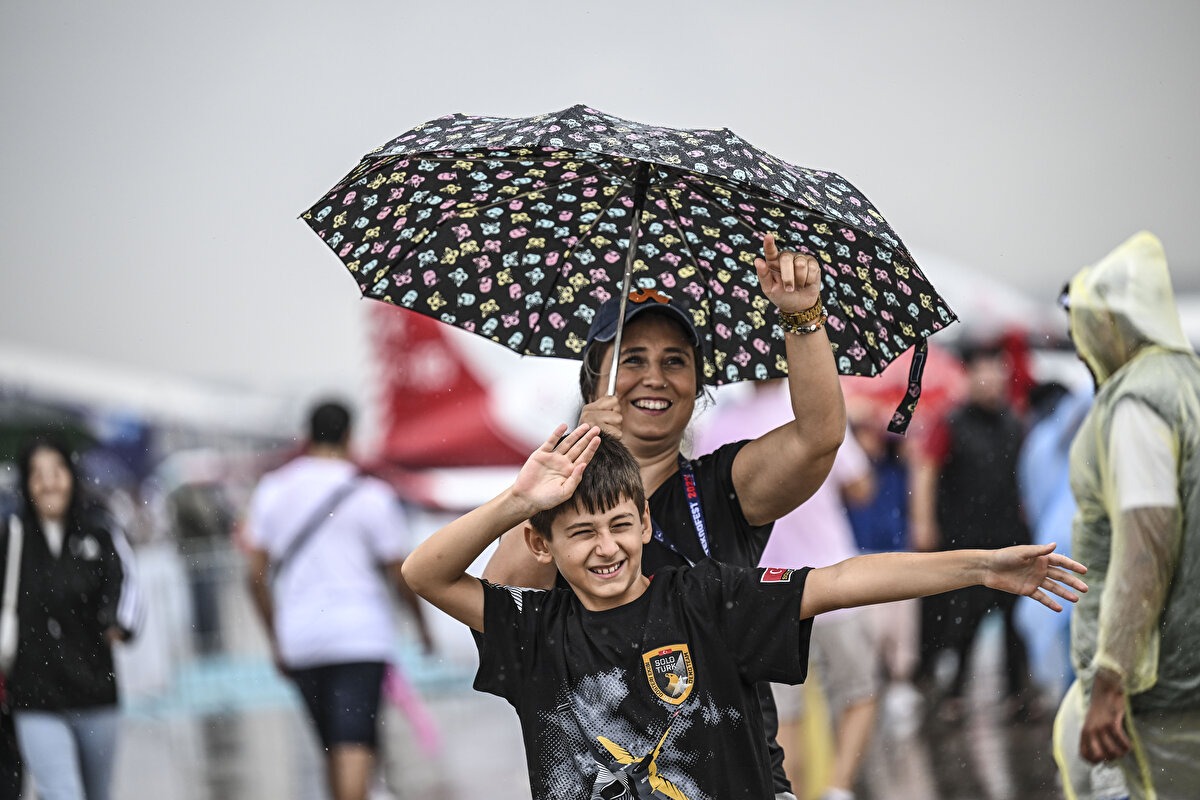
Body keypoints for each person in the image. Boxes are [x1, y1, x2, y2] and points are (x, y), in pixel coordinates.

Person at [405, 424, 1088, 800]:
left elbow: (842, 579)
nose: (606, 547)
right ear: (542, 543)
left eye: (619, 525)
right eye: (581, 533)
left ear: (646, 522)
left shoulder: (705, 599)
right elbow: (424, 572)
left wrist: (980, 566)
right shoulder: (536, 632)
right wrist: (518, 499)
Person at [484, 233, 846, 799]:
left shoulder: (724, 487)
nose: (654, 377)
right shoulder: (553, 499)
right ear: (593, 380)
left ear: (696, 386)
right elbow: (500, 601)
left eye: (674, 362)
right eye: (632, 360)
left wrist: (803, 318)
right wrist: (573, 465)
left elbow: (819, 438)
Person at [1052, 231, 1200, 800]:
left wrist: (1112, 679)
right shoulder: (1188, 384)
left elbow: (1146, 547)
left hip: (1159, 686)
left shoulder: (1138, 402)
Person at [696, 381, 878, 800]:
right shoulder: (818, 418)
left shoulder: (720, 425)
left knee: (782, 718)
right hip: (833, 583)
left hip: (763, 594)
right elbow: (861, 488)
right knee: (860, 693)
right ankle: (838, 788)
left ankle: (789, 793)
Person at [246, 401, 434, 800]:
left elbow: (254, 577)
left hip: (300, 638)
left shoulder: (273, 489)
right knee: (354, 745)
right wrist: (422, 629)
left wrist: (276, 638)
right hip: (358, 634)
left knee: (333, 747)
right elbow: (401, 573)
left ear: (307, 434)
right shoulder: (370, 494)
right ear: (350, 435)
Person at [1, 437, 142, 800]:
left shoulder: (99, 530)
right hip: (35, 698)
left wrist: (118, 623)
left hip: (95, 691)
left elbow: (127, 583)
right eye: (38, 474)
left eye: (57, 471)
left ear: (72, 475)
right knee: (62, 794)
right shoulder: (12, 537)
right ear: (26, 482)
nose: (49, 483)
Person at [909, 340, 1036, 721]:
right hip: (963, 539)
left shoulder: (1015, 421)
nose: (991, 378)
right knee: (962, 619)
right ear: (968, 375)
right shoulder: (951, 422)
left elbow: (1027, 476)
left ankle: (1018, 696)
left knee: (1017, 621)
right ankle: (955, 694)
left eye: (996, 369)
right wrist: (923, 522)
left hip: (1010, 536)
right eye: (982, 370)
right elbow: (926, 472)